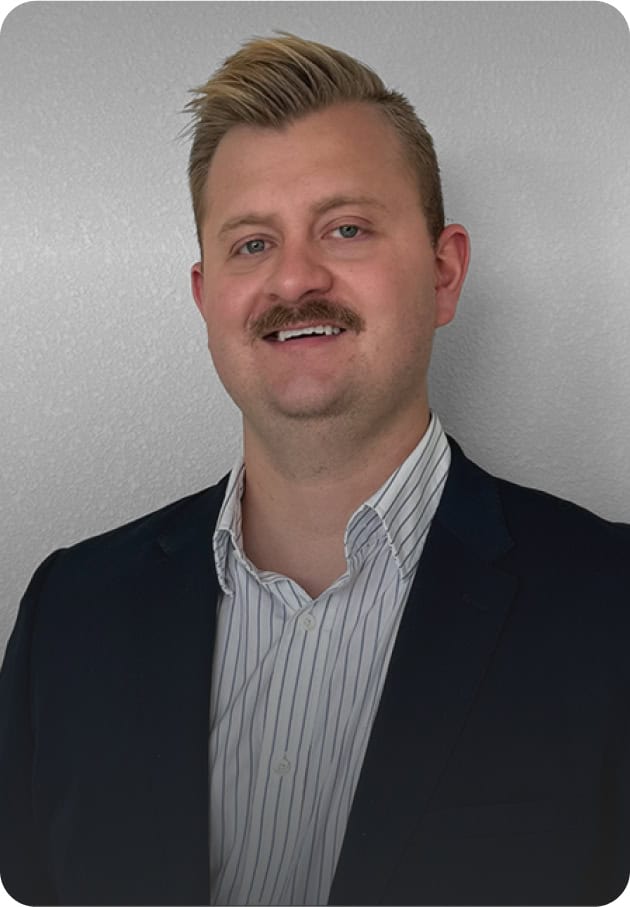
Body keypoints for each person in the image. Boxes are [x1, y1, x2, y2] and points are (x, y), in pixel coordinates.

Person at [1, 31, 629, 907]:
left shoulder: (612, 608)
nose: (294, 279)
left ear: (444, 275)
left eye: (346, 228)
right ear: (205, 297)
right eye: (251, 243)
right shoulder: (68, 616)